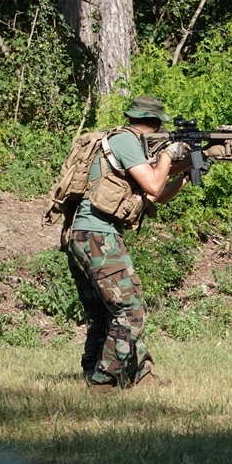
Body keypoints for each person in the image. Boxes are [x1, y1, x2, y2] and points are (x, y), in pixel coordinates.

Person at [66, 95, 192, 391]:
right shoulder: (125, 141)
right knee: (131, 310)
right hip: (97, 236)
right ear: (158, 123)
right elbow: (152, 184)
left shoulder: (126, 143)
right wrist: (167, 156)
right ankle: (103, 380)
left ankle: (136, 375)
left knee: (105, 312)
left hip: (87, 234)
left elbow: (157, 192)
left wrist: (186, 172)